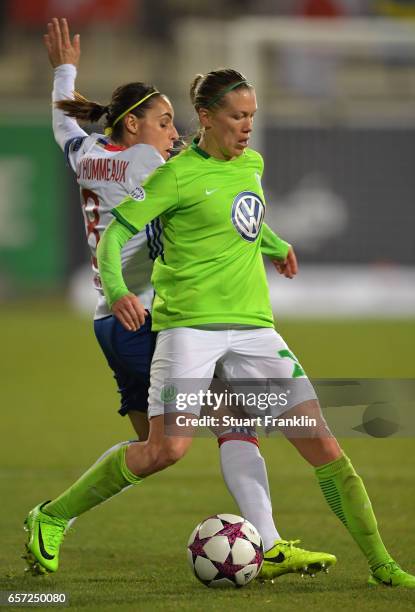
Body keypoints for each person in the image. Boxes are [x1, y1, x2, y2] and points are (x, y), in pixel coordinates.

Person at [23, 19, 336, 581]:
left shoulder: (86, 151)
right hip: (150, 318)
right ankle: (53, 515)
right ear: (134, 124)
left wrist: (63, 74)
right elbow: (207, 186)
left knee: (177, 438)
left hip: (112, 321)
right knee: (170, 448)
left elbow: (62, 126)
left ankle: (268, 544)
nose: (175, 133)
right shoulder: (153, 166)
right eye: (165, 123)